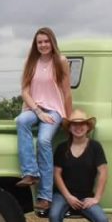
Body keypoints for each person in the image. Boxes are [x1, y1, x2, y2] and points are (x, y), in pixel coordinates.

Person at [49, 109, 112, 222]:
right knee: (54, 216)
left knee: (102, 221)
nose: (78, 127)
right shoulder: (62, 148)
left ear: (87, 127)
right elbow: (56, 174)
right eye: (74, 125)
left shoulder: (95, 147)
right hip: (63, 195)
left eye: (82, 124)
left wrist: (97, 198)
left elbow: (103, 172)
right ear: (70, 128)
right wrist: (68, 196)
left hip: (86, 196)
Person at [15, 28, 74, 211]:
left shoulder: (61, 61)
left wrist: (69, 119)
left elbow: (66, 91)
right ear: (35, 44)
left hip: (55, 109)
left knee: (43, 140)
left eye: (46, 41)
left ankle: (45, 196)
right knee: (21, 121)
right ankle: (31, 172)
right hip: (35, 107)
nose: (43, 45)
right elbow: (24, 91)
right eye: (40, 42)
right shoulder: (30, 62)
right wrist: (38, 112)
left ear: (52, 42)